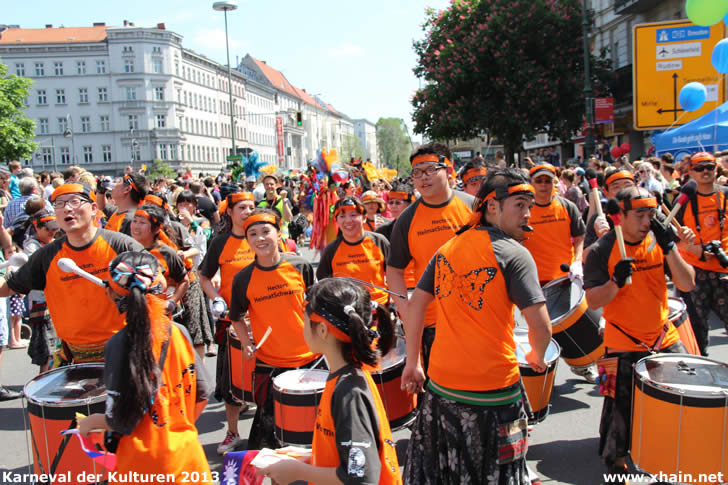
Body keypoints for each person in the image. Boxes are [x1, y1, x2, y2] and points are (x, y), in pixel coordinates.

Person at [401, 168, 552, 484]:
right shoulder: (515, 254)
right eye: (520, 204)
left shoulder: (448, 248)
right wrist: (537, 356)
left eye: (530, 206)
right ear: (493, 207)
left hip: (441, 388)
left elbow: (415, 306)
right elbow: (540, 327)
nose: (527, 214)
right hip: (492, 394)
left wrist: (413, 362)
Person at [583, 187, 695, 476]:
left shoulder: (660, 242)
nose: (648, 220)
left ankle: (672, 460)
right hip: (620, 344)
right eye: (640, 214)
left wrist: (671, 247)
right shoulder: (601, 250)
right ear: (620, 215)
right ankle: (616, 467)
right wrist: (615, 283)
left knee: (685, 402)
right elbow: (593, 301)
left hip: (664, 339)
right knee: (617, 411)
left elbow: (687, 284)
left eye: (651, 213)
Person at [78, 251, 213, 483]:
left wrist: (90, 423)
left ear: (110, 293)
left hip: (140, 467)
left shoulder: (119, 343)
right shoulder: (178, 332)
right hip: (187, 459)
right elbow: (203, 392)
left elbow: (118, 419)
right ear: (159, 287)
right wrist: (172, 426)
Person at [258, 278, 402, 484]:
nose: (302, 326)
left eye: (305, 320)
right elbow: (348, 454)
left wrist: (299, 472)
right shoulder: (345, 378)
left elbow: (360, 476)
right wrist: (308, 456)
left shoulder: (349, 393)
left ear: (323, 331)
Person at [0, 183, 143, 363]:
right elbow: (8, 287)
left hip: (125, 353)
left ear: (93, 209)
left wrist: (133, 284)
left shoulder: (120, 245)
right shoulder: (46, 256)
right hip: (74, 358)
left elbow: (157, 280)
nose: (67, 208)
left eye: (74, 202)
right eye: (59, 204)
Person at [229, 208, 319, 450]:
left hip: (310, 359)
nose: (260, 238)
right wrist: (246, 342)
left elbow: (316, 307)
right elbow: (236, 317)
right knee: (270, 441)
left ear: (279, 233)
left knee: (316, 433)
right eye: (253, 234)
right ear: (246, 240)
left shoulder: (300, 266)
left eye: (266, 231)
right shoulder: (243, 278)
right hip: (269, 365)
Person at [387, 143, 474, 377]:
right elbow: (394, 271)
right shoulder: (406, 220)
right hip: (433, 324)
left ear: (449, 169)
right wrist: (404, 308)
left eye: (430, 170)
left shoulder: (473, 207)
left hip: (477, 317)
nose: (423, 178)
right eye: (417, 172)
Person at [198, 190, 256, 453]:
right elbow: (204, 277)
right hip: (233, 321)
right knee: (232, 382)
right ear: (229, 213)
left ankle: (270, 434)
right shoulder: (220, 242)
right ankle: (232, 433)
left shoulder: (263, 236)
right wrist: (216, 299)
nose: (247, 211)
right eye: (242, 207)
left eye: (251, 206)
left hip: (265, 320)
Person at [675, 151, 728, 355]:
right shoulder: (683, 200)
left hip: (724, 269)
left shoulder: (726, 193)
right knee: (698, 330)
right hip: (695, 272)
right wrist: (694, 249)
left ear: (716, 169)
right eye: (700, 168)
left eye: (710, 167)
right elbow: (673, 238)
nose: (705, 172)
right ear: (691, 172)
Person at [317, 197, 390, 306]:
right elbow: (324, 283)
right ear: (336, 221)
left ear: (364, 218)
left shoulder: (379, 241)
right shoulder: (331, 250)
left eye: (353, 215)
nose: (348, 221)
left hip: (380, 309)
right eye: (342, 216)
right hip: (347, 313)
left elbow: (395, 274)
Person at [22, 210, 60, 373]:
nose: (52, 232)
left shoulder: (51, 243)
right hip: (42, 303)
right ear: (37, 228)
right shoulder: (32, 246)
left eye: (54, 229)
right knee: (46, 350)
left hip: (56, 301)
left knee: (56, 349)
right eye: (48, 229)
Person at [258, 174, 293, 239]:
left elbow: (289, 219)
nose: (269, 186)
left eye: (271, 184)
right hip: (267, 239)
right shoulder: (261, 204)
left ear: (276, 185)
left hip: (282, 238)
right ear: (264, 186)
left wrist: (284, 200)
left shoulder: (284, 200)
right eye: (267, 184)